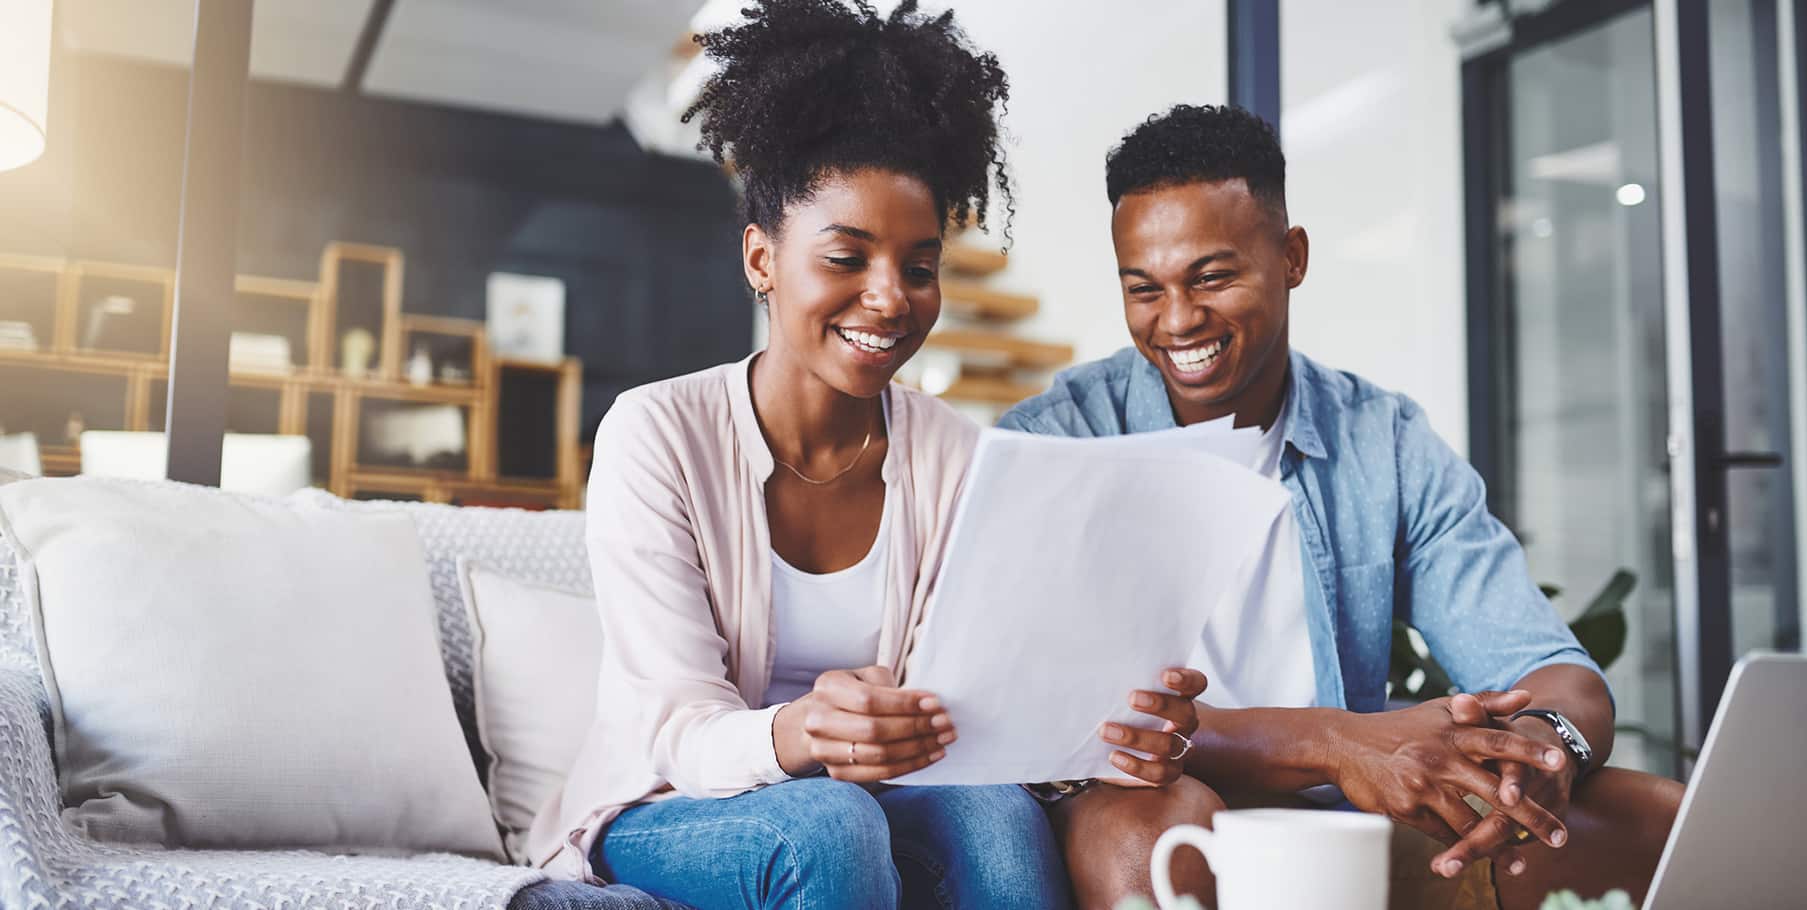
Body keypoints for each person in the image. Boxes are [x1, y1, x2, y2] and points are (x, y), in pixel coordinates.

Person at [526, 3, 1201, 907]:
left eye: (919, 267)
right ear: (763, 258)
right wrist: (805, 733)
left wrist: (1109, 728)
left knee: (996, 813)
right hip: (670, 803)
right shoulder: (656, 434)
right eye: (847, 256)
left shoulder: (960, 459)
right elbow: (676, 726)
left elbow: (981, 705)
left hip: (884, 793)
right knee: (830, 823)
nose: (889, 299)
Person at [999, 104, 1685, 910]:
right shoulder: (1054, 443)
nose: (1178, 320)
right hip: (1153, 802)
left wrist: (1536, 745)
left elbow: (1558, 675)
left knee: (1649, 819)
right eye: (1145, 289)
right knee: (1154, 828)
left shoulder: (1380, 440)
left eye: (1213, 277)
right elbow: (1077, 718)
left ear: (1292, 257)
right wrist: (1335, 742)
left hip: (1339, 810)